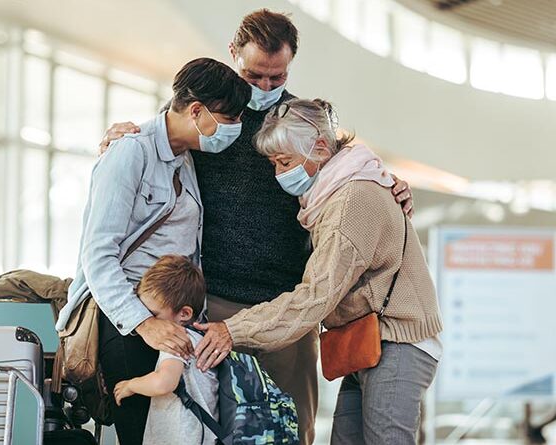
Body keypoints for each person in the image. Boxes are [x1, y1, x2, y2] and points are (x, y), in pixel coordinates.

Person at [99, 9, 415, 444]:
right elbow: (161, 140)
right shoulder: (210, 118)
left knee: (289, 428)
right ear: (233, 54)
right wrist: (117, 138)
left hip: (289, 308)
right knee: (212, 428)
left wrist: (390, 183)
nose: (265, 87)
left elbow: (344, 168)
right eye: (254, 75)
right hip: (213, 304)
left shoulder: (301, 124)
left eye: (276, 76)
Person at [194, 98, 443, 445]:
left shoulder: (350, 202)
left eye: (285, 162)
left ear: (321, 147)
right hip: (368, 340)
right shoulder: (343, 184)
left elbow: (314, 297)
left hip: (397, 341)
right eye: (275, 164)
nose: (280, 174)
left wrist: (232, 330)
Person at [55, 57, 250, 445]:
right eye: (229, 120)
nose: (235, 130)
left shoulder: (185, 159)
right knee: (141, 435)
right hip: (129, 321)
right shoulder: (130, 152)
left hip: (172, 320)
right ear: (196, 110)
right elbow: (98, 255)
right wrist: (145, 323)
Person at [114, 255, 218, 445]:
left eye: (154, 314)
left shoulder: (176, 341)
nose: (149, 319)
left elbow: (164, 382)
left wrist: (130, 385)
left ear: (184, 314)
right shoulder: (200, 338)